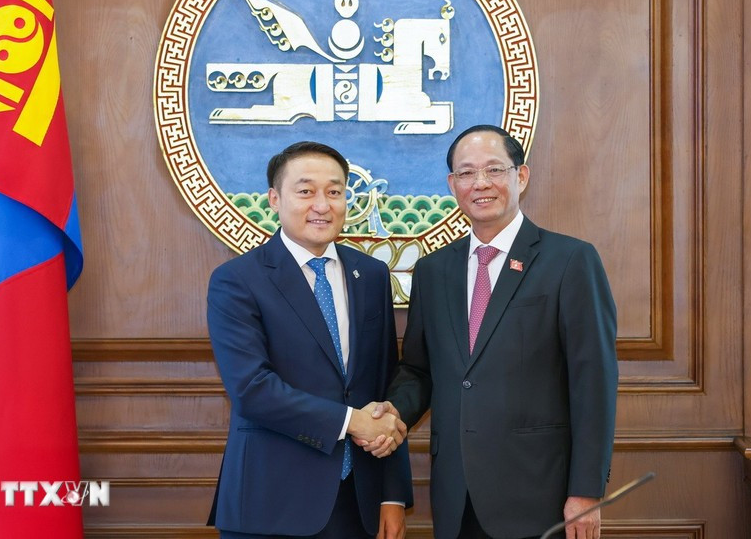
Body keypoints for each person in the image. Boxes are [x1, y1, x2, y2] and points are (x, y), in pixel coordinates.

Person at [370, 125, 618, 539]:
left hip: (541, 495)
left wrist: (586, 491)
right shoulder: (433, 270)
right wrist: (394, 413)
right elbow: (419, 369)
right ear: (452, 185)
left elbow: (594, 382)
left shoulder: (570, 260)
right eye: (466, 173)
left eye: (494, 169)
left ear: (521, 176)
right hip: (456, 495)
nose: (480, 183)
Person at [206, 141, 413, 539]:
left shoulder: (370, 275)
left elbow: (384, 387)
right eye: (305, 191)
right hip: (271, 502)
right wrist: (351, 421)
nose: (322, 205)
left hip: (359, 502)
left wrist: (392, 496)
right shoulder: (237, 280)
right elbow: (251, 389)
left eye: (334, 192)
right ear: (274, 199)